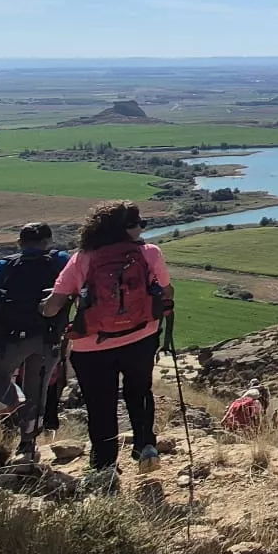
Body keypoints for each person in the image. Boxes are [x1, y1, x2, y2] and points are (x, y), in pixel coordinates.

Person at [41, 200, 170, 484]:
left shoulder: (82, 259)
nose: (142, 229)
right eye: (139, 224)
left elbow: (54, 304)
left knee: (100, 403)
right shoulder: (149, 253)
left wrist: (43, 309)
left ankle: (104, 465)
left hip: (93, 346)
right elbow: (164, 288)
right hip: (141, 336)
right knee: (140, 391)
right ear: (127, 229)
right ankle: (145, 446)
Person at [0, 223, 69, 461]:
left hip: (7, 339)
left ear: (20, 242)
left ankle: (13, 401)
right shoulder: (60, 260)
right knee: (38, 390)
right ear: (48, 240)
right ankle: (27, 446)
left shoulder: (2, 267)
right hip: (47, 338)